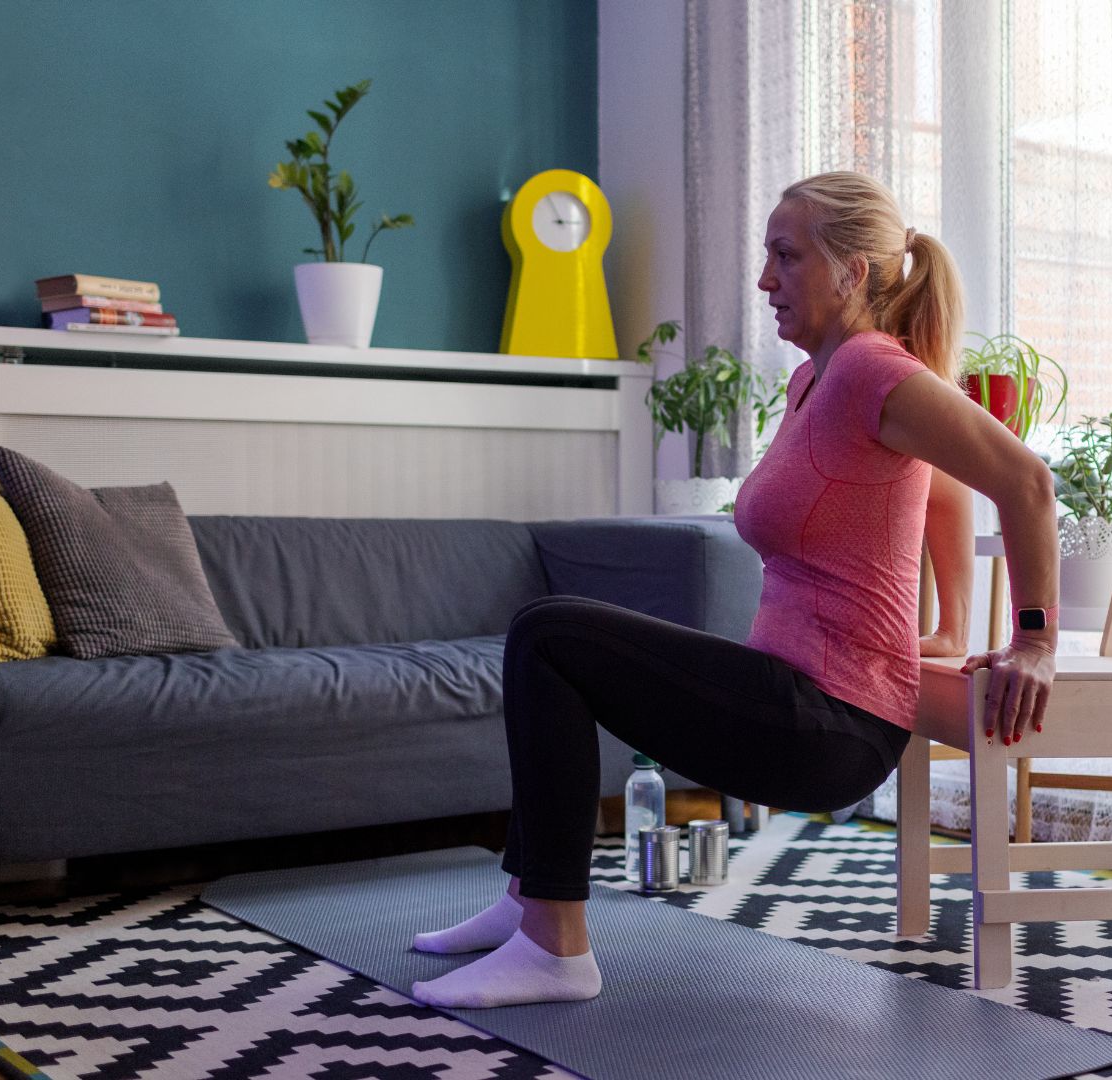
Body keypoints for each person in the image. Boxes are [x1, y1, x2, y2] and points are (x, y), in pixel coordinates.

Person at [408, 171, 1061, 1009]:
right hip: (790, 697)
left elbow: (1025, 481)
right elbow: (937, 485)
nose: (764, 282)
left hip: (831, 722)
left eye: (785, 257)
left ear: (852, 274)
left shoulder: (871, 370)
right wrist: (948, 624)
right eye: (767, 257)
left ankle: (555, 948)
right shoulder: (813, 383)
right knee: (550, 643)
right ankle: (530, 906)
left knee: (549, 635)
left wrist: (1035, 638)